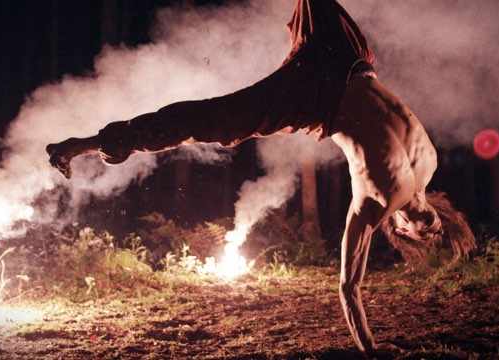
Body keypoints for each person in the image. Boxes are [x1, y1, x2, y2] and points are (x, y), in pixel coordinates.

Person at [47, 0, 474, 353]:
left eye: (422, 237)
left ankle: (89, 144)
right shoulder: (429, 164)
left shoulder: (373, 204)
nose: (431, 233)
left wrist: (370, 350)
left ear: (397, 227)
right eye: (437, 232)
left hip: (314, 95)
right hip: (350, 58)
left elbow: (349, 288)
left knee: (218, 121)